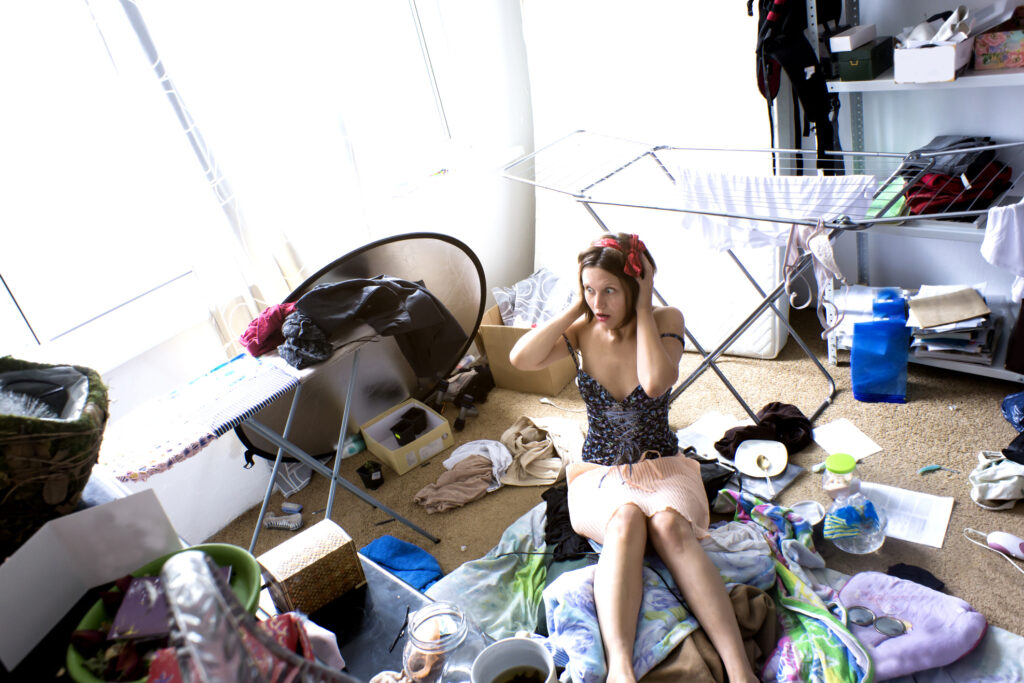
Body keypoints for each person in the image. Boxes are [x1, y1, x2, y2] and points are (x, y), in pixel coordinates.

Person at [510, 233, 758, 683]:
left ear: (635, 285)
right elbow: (520, 358)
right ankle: (620, 670)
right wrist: (576, 306)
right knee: (625, 520)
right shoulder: (580, 330)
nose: (598, 302)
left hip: (662, 467)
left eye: (610, 290)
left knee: (667, 526)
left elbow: (656, 381)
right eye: (590, 289)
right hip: (600, 474)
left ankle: (740, 670)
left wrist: (644, 307)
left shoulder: (666, 319)